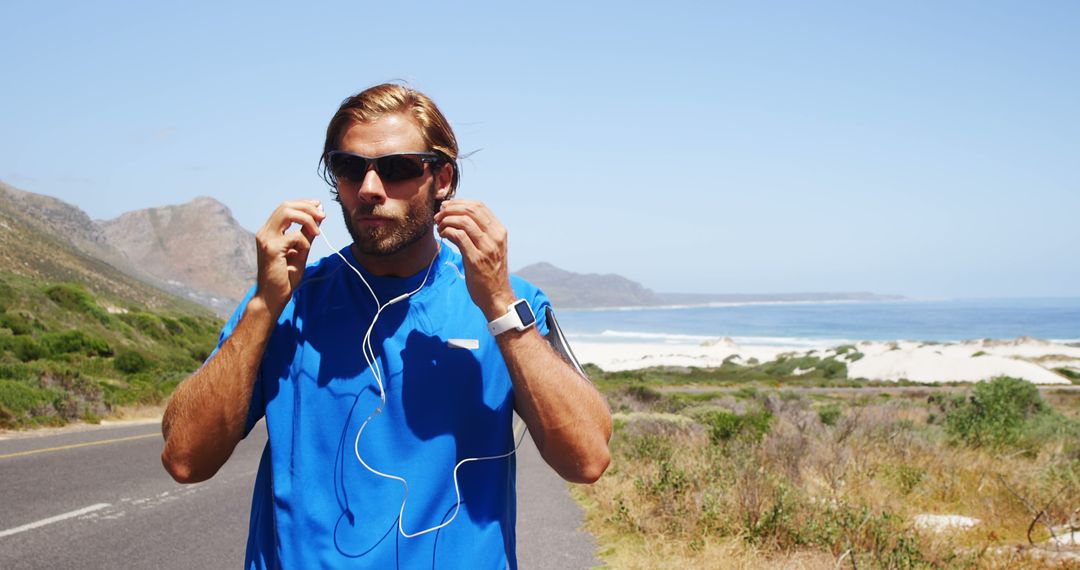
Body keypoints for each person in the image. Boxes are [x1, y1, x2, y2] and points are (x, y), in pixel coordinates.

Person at [160, 83, 612, 569]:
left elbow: (586, 459)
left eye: (397, 169)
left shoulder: (506, 304)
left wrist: (501, 306)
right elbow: (185, 459)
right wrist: (264, 307)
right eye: (350, 169)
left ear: (443, 180)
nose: (369, 189)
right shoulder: (283, 303)